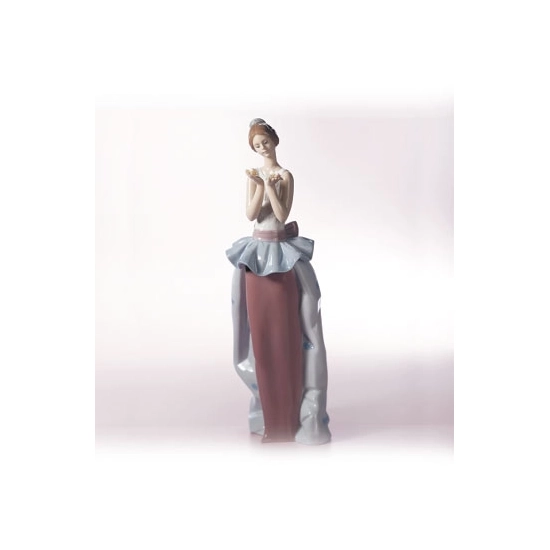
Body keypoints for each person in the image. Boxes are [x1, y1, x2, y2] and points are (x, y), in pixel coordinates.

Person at [226, 118, 331, 445]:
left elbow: (282, 215)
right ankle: (270, 419)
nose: (262, 148)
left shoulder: (285, 176)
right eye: (256, 146)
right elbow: (251, 214)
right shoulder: (254, 176)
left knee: (286, 335)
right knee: (261, 337)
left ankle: (288, 419)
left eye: (265, 142)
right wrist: (258, 185)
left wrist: (270, 185)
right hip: (257, 256)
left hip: (281, 257)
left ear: (274, 140)